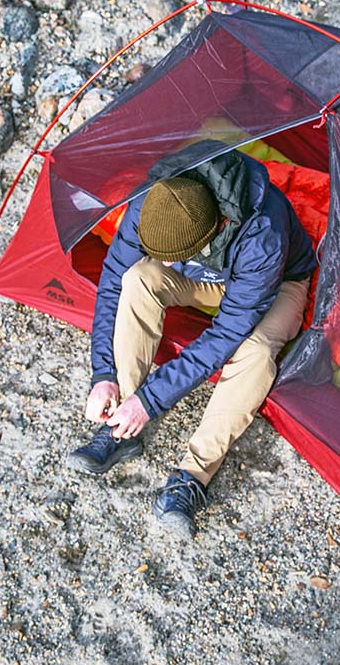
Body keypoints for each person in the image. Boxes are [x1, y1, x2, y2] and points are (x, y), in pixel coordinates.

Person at [65, 147, 317, 539]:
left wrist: (152, 401)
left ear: (213, 231)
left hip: (276, 283)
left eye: (172, 256)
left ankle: (192, 476)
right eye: (162, 255)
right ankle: (122, 426)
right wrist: (103, 373)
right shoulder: (158, 199)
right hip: (208, 274)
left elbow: (227, 334)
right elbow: (115, 275)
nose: (165, 263)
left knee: (257, 352)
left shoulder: (261, 236)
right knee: (137, 278)